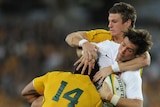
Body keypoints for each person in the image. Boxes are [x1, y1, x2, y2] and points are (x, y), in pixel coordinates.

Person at [65, 2, 150, 75]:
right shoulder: (103, 36)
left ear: (127, 23)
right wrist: (84, 44)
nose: (109, 25)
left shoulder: (136, 43)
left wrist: (111, 69)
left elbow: (145, 60)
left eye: (114, 22)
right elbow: (70, 37)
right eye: (109, 21)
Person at [95, 28, 153, 107]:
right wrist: (86, 48)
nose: (122, 51)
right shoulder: (109, 47)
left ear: (137, 55)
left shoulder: (132, 74)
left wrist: (109, 97)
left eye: (129, 50)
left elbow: (137, 104)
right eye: (123, 45)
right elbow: (80, 49)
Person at [21, 62, 103, 107]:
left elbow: (25, 92)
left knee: (38, 102)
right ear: (96, 77)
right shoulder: (97, 98)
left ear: (75, 69)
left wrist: (47, 100)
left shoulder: (55, 76)